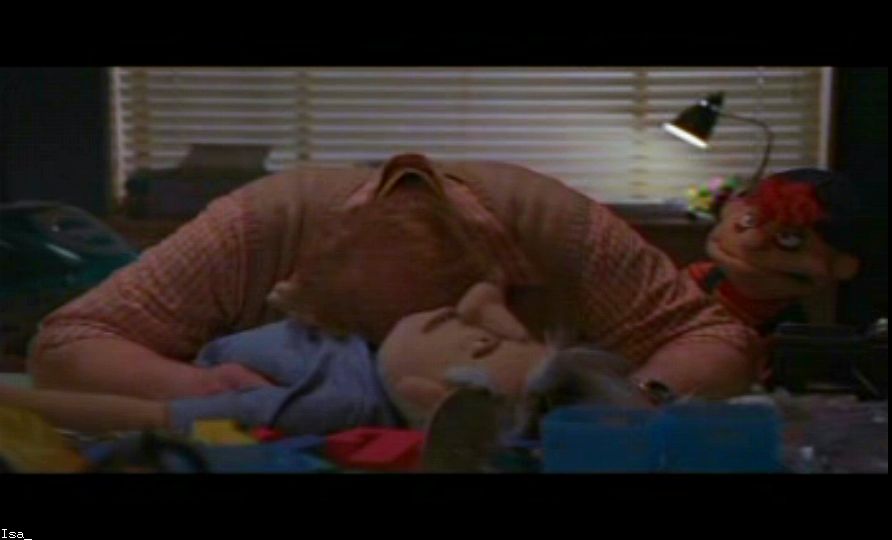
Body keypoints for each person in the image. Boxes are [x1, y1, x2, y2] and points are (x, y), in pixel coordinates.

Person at [27, 153, 763, 403]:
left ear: (495, 294)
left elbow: (715, 338)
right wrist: (201, 388)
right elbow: (69, 342)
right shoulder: (257, 225)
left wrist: (634, 402)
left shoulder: (559, 226)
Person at [4, 282, 642, 435]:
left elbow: (154, 419)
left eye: (486, 345)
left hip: (191, 370)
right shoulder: (387, 349)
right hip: (221, 323)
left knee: (191, 396)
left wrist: (18, 400)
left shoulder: (339, 402)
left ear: (428, 398)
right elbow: (481, 296)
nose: (474, 326)